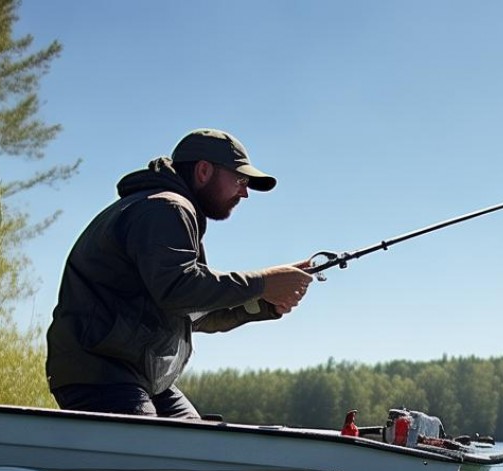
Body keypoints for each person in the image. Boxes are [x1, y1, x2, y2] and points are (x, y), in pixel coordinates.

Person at [45, 128, 312, 419]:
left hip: (138, 376)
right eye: (239, 179)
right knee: (171, 451)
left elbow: (194, 312)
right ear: (204, 170)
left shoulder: (168, 210)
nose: (244, 192)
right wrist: (263, 283)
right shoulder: (165, 208)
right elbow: (178, 290)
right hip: (102, 372)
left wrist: (264, 303)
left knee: (198, 448)